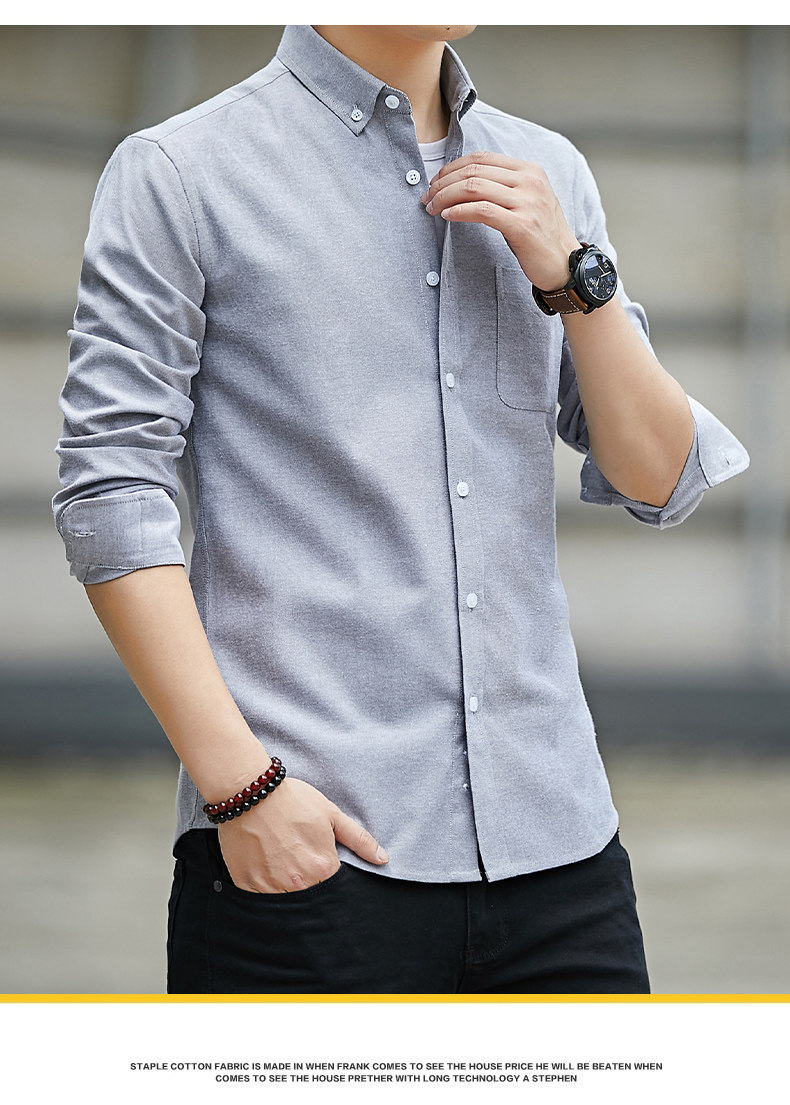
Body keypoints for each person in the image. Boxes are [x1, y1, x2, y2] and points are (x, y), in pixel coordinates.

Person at [52, 24, 748, 994]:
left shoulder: (546, 172)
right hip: (311, 849)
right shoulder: (181, 172)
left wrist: (574, 279)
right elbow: (111, 493)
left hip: (561, 849)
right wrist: (242, 789)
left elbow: (659, 477)